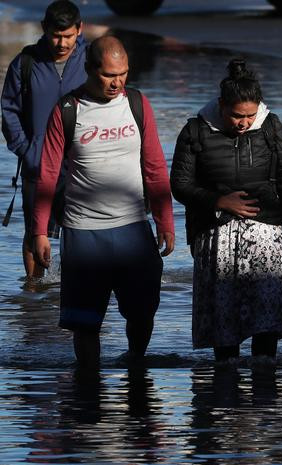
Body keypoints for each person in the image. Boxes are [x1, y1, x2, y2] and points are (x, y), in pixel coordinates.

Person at [32, 35, 175, 370]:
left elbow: (154, 166)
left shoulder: (137, 104)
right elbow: (48, 174)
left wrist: (164, 220)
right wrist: (41, 232)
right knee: (85, 323)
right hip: (83, 233)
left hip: (133, 229)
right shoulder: (67, 111)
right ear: (89, 69)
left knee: (142, 313)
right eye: (109, 74)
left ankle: (136, 369)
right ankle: (88, 391)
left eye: (123, 73)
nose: (117, 82)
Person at [170, 58, 282, 363]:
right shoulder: (196, 130)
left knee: (266, 323)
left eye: (250, 116)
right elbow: (180, 185)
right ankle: (223, 393)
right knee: (223, 328)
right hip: (216, 239)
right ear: (222, 105)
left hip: (265, 235)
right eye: (237, 116)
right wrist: (218, 201)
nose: (244, 123)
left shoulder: (271, 127)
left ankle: (265, 391)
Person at [1, 0, 87, 281]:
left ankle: (80, 291)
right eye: (55, 35)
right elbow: (10, 111)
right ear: (43, 29)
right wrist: (27, 151)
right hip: (37, 166)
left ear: (79, 30)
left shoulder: (92, 60)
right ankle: (34, 296)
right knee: (35, 233)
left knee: (84, 233)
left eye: (68, 36)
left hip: (83, 165)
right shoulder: (24, 63)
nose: (61, 43)